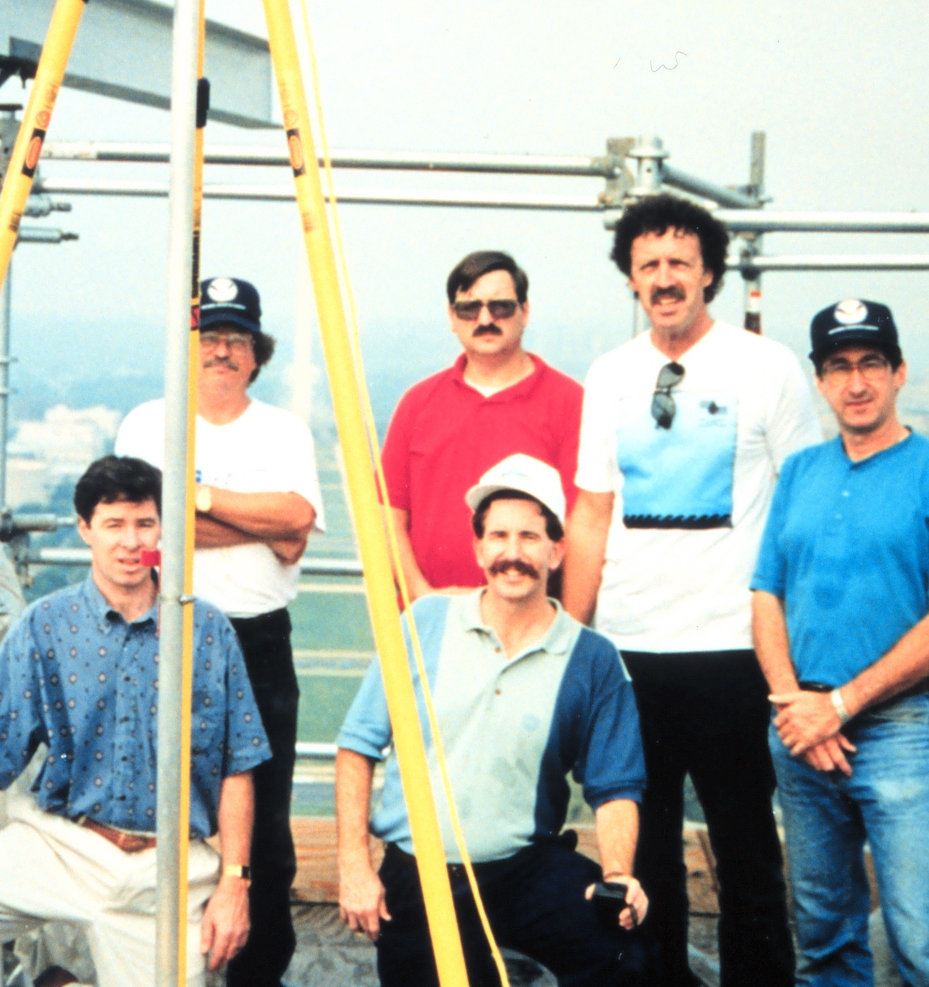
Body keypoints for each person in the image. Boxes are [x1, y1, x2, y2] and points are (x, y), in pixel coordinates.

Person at [0, 455, 270, 987]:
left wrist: (234, 884)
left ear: (165, 530)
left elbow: (238, 768)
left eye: (145, 524)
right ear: (86, 530)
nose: (131, 542)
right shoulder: (46, 625)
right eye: (114, 525)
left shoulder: (207, 632)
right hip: (61, 845)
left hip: (167, 868)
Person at [563, 194, 819, 987]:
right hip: (632, 650)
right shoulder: (609, 375)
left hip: (735, 649)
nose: (665, 279)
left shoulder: (766, 367)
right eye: (649, 266)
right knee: (644, 851)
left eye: (680, 262)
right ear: (631, 280)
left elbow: (801, 506)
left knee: (746, 847)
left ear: (710, 270)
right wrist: (567, 642)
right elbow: (593, 516)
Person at [335, 454, 651, 987]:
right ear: (478, 546)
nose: (512, 553)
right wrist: (353, 865)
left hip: (522, 867)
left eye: (530, 537)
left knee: (626, 953)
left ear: (557, 549)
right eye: (498, 535)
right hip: (420, 872)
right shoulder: (426, 622)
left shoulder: (592, 658)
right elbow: (357, 747)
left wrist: (619, 873)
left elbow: (615, 784)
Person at [753, 299, 929, 987]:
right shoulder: (800, 472)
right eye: (839, 368)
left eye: (871, 365)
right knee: (824, 938)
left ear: (899, 373)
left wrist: (842, 706)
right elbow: (765, 593)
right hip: (801, 731)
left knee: (922, 941)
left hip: (894, 730)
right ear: (820, 381)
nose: (856, 383)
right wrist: (795, 704)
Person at [114, 275, 322, 987]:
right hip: (163, 638)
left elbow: (296, 527)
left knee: (264, 823)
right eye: (210, 338)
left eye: (237, 339)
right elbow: (147, 537)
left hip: (257, 641)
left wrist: (193, 496)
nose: (223, 352)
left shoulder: (283, 429)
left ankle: (256, 975)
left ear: (257, 355)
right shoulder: (148, 423)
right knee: (156, 807)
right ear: (188, 347)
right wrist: (253, 521)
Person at [383, 250, 583, 596]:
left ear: (525, 311)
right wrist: (425, 600)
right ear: (451, 316)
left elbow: (581, 527)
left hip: (530, 622)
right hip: (430, 620)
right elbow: (387, 516)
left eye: (501, 307)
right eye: (469, 309)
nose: (485, 319)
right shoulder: (417, 404)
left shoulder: (570, 403)